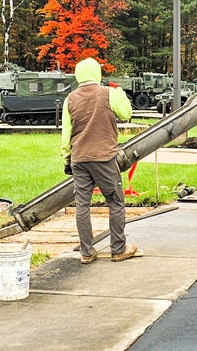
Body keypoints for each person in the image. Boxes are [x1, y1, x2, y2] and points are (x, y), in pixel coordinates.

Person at [61, 57, 136, 264]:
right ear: (97, 73)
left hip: (79, 159)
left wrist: (67, 159)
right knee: (115, 202)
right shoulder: (108, 93)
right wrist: (119, 91)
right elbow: (127, 114)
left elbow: (66, 134)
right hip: (104, 158)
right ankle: (118, 249)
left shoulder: (70, 99)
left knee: (82, 205)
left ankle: (86, 252)